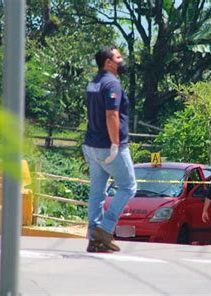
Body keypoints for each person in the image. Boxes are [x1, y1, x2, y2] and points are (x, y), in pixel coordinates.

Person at [82, 46, 137, 253]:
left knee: (97, 192)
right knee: (128, 186)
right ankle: (105, 230)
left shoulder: (94, 82)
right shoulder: (111, 83)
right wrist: (115, 144)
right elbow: (111, 115)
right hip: (109, 146)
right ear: (108, 62)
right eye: (118, 57)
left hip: (92, 145)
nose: (122, 60)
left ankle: (94, 237)